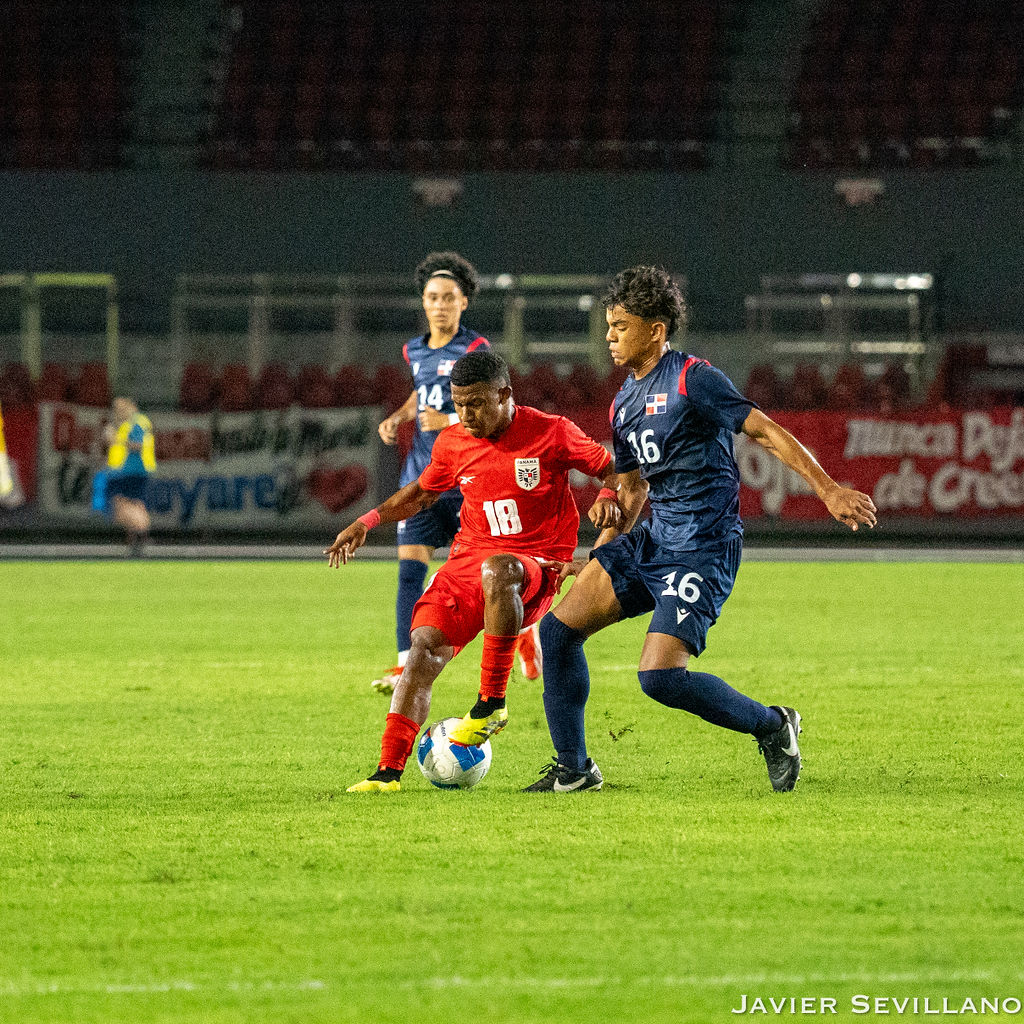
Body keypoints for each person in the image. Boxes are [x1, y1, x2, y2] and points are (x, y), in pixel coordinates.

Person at [525, 266, 878, 794]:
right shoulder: (623, 402)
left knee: (660, 678)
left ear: (656, 329)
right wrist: (598, 555)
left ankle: (773, 725)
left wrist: (828, 489)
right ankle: (574, 768)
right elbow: (630, 489)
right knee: (556, 633)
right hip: (655, 539)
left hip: (703, 547)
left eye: (620, 326)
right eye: (608, 325)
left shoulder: (695, 378)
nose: (609, 336)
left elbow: (767, 432)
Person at [326, 351, 622, 793]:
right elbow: (423, 494)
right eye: (459, 403)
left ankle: (491, 704)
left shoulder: (552, 431)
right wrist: (367, 521)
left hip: (534, 563)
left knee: (498, 570)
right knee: (422, 647)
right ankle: (387, 773)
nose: (466, 414)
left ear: (505, 394)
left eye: (478, 403)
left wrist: (607, 494)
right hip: (469, 561)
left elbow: (618, 470)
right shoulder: (452, 442)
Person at [371, 251, 542, 695]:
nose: (440, 305)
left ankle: (522, 630)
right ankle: (404, 664)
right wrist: (400, 416)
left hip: (468, 480)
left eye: (449, 297)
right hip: (423, 478)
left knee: (484, 575)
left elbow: (500, 405)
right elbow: (421, 393)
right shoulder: (413, 349)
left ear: (463, 303)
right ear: (423, 303)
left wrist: (447, 422)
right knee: (410, 570)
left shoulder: (474, 349)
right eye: (432, 297)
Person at [92, 396, 156, 556]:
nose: (117, 412)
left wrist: (116, 440)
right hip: (127, 471)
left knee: (118, 505)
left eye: (120, 408)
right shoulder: (125, 423)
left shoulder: (136, 423)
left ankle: (141, 531)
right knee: (134, 504)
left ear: (131, 407)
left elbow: (137, 446)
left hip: (129, 471)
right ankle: (136, 540)